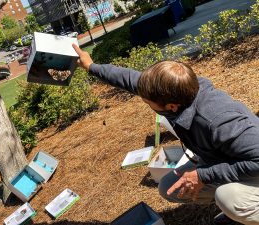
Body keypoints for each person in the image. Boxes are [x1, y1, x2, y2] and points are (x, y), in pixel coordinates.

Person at [72, 44, 259, 225]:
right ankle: (237, 210)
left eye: (148, 102)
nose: (147, 104)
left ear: (171, 106)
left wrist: (204, 175)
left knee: (228, 197)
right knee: (169, 188)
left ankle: (244, 207)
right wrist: (91, 66)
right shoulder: (178, 90)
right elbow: (129, 79)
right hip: (228, 159)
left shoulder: (218, 121)